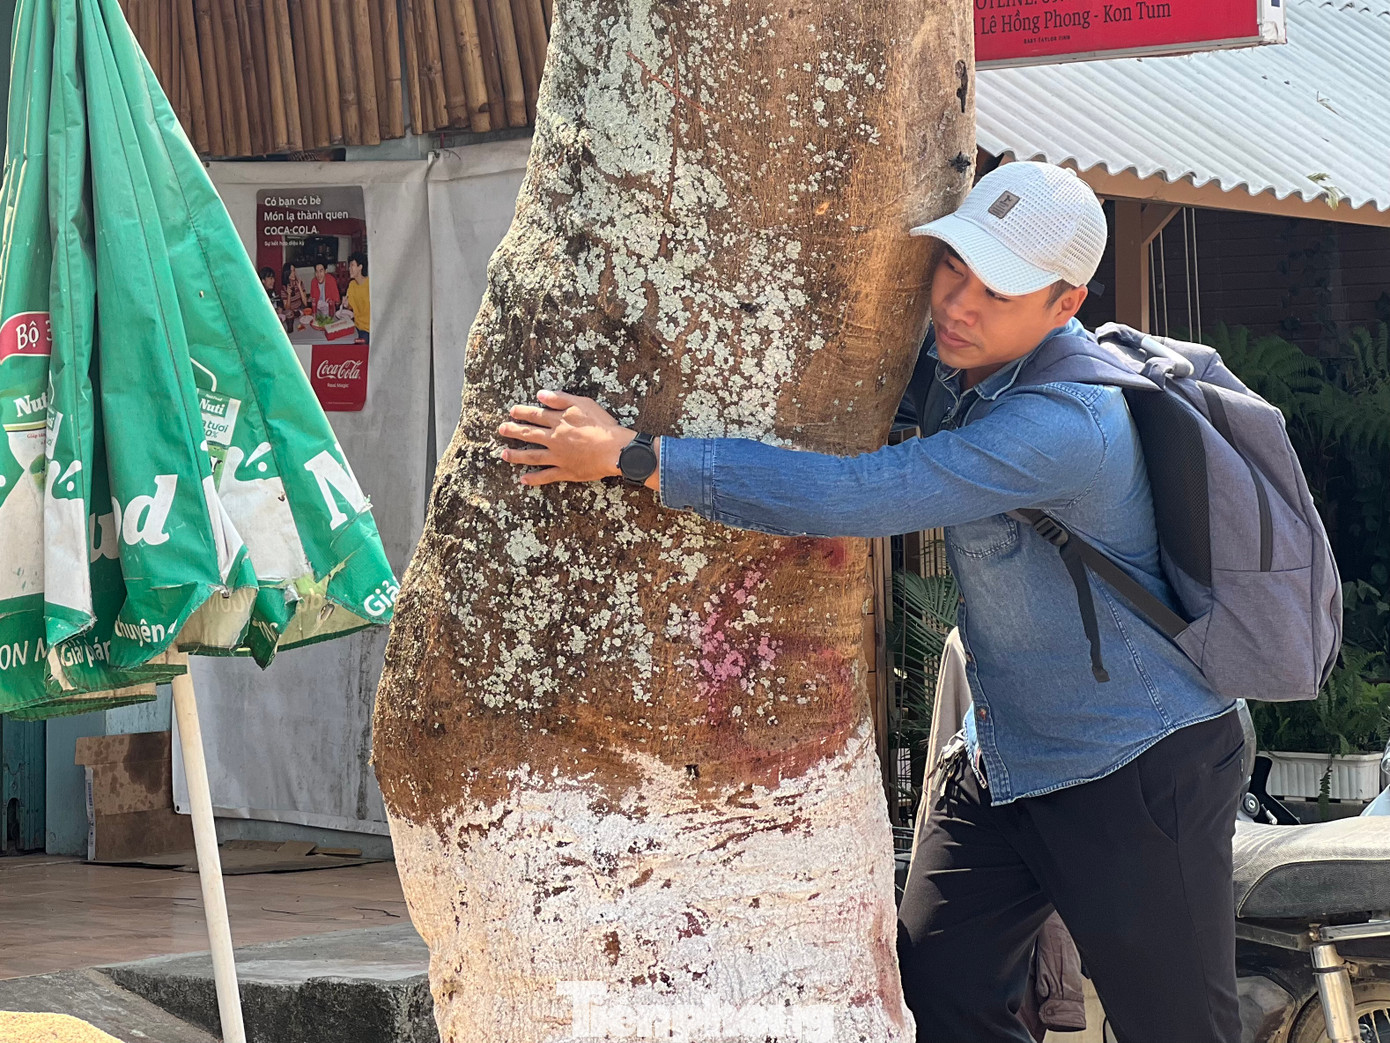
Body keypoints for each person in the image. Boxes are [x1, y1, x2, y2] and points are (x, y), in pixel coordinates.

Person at [495, 162, 1247, 1043]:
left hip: (1138, 764)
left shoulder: (1066, 425)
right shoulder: (970, 364)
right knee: (939, 998)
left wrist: (636, 457)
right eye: (953, 269)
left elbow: (862, 496)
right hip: (1005, 759)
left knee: (1180, 1028)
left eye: (996, 289)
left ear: (1063, 303)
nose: (959, 305)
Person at [343, 251, 371, 345]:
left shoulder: (370, 285)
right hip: (356, 327)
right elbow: (350, 307)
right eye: (349, 266)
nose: (349, 268)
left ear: (360, 267)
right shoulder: (352, 285)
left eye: (352, 265)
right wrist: (346, 305)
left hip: (368, 330)